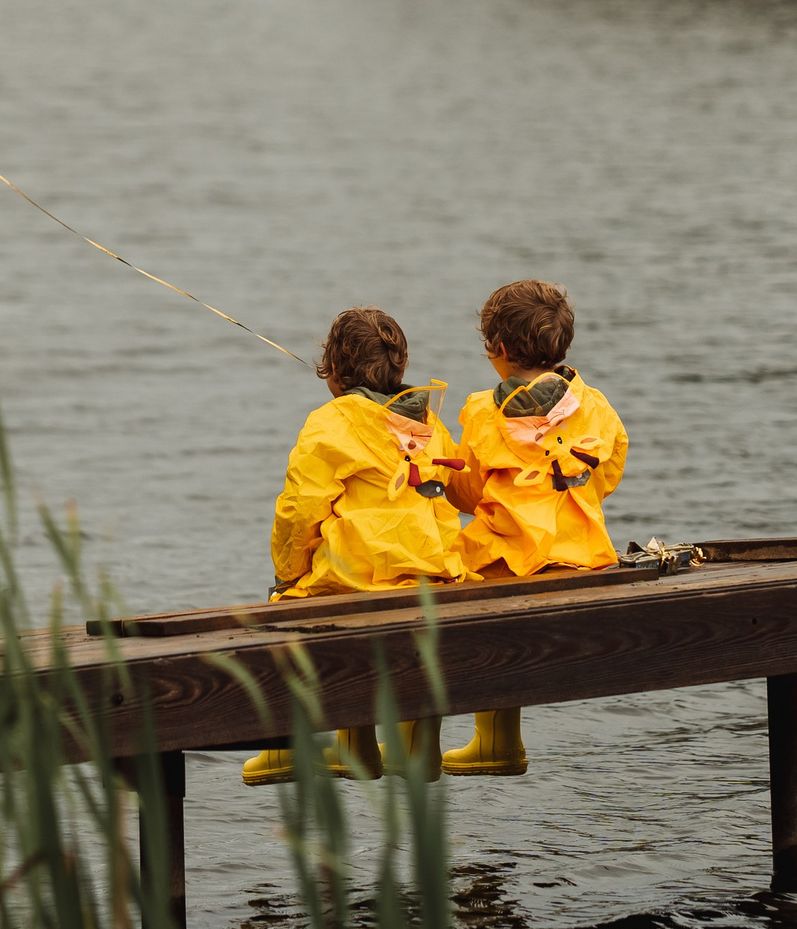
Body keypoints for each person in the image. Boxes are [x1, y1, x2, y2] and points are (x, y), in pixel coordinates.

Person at [242, 307, 461, 787]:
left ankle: (354, 746)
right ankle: (420, 748)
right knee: (419, 632)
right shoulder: (429, 422)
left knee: (293, 606)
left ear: (333, 371)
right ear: (399, 367)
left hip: (356, 579)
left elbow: (300, 510)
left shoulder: (331, 423)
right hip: (432, 573)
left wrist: (288, 573)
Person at [438, 280, 629, 775]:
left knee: (440, 579)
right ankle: (497, 744)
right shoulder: (596, 405)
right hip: (584, 553)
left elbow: (471, 492)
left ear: (499, 350)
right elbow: (607, 473)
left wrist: (443, 474)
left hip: (511, 559)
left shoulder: (484, 410)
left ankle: (492, 740)